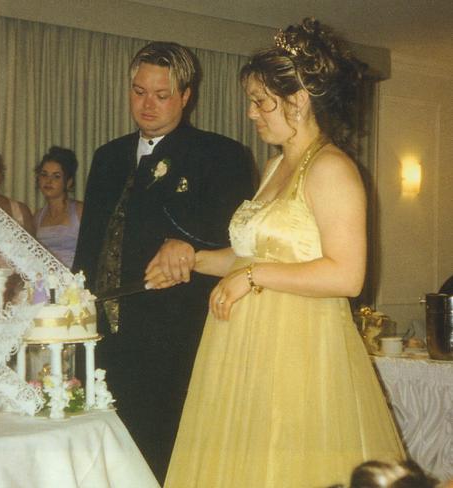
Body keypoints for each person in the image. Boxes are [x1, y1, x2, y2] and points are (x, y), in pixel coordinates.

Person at [152, 19, 405, 487]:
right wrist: (192, 257)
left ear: (299, 99)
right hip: (242, 349)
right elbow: (250, 255)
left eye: (260, 101)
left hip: (299, 351)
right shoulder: (274, 166)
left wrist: (252, 279)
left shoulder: (332, 169)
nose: (251, 113)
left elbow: (347, 275)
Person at [73, 41, 254, 482]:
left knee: (164, 460)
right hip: (103, 338)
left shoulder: (221, 155)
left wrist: (185, 245)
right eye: (138, 91)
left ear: (186, 95)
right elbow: (90, 245)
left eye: (161, 94)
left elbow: (239, 242)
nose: (146, 104)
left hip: (174, 339)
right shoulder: (107, 156)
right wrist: (74, 308)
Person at [34, 146, 83, 268]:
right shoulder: (37, 217)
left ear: (68, 182)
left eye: (56, 176)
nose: (48, 181)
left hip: (74, 282)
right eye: (44, 175)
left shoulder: (80, 211)